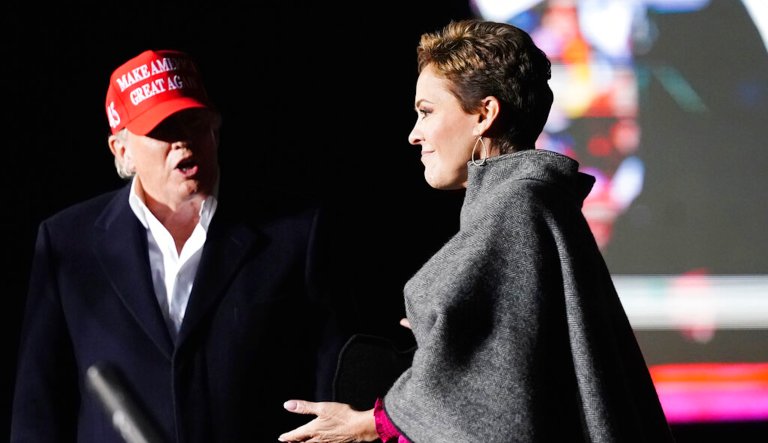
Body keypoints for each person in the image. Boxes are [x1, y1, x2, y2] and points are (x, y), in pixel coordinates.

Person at [277, 19, 675, 443]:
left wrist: (372, 424)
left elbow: (499, 410)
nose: (415, 134)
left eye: (426, 112)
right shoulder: (532, 203)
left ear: (484, 114)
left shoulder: (516, 207)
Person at [10, 49, 349, 443]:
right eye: (163, 129)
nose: (184, 140)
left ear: (216, 131)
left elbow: (332, 380)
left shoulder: (293, 234)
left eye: (194, 121)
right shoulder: (67, 242)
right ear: (122, 151)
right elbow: (38, 403)